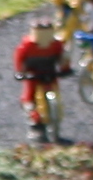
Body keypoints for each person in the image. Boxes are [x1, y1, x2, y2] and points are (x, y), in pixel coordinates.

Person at [12, 11, 69, 141]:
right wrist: (20, 72)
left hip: (50, 72)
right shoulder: (27, 46)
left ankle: (54, 115)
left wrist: (65, 68)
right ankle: (35, 123)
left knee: (54, 91)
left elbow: (63, 57)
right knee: (30, 98)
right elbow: (19, 59)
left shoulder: (56, 45)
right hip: (33, 74)